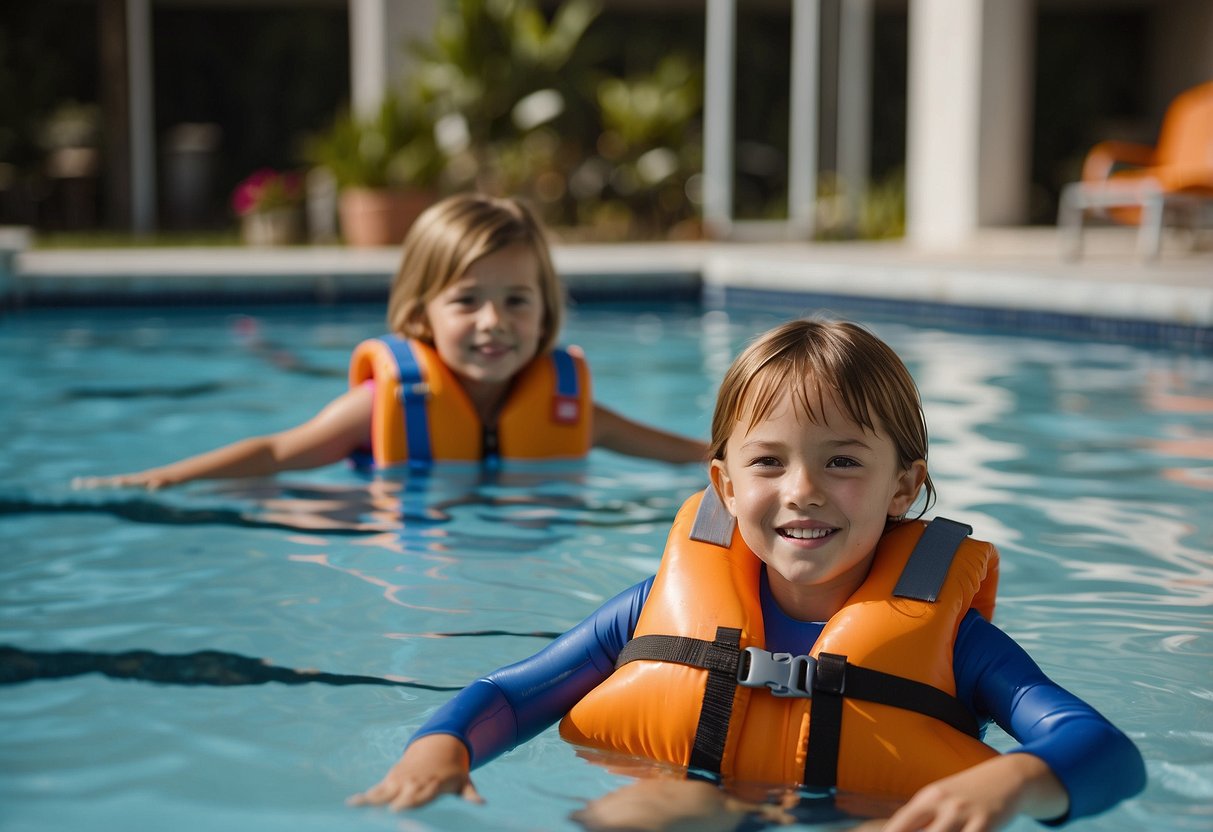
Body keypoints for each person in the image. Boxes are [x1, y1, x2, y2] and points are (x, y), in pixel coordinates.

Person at [349, 319, 1145, 830]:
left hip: (868, 815)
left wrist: (1012, 785)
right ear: (725, 486)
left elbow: (1103, 750)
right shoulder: (647, 615)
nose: (801, 490)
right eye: (768, 462)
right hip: (691, 795)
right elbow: (512, 694)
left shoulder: (958, 645)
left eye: (842, 461)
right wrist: (441, 748)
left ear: (903, 485)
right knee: (653, 809)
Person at [73, 194, 706, 490]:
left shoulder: (570, 412)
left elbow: (683, 454)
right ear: (421, 314)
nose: (493, 321)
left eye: (516, 301)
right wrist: (159, 479)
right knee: (313, 513)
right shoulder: (381, 405)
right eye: (465, 300)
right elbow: (274, 453)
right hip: (394, 542)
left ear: (544, 315)